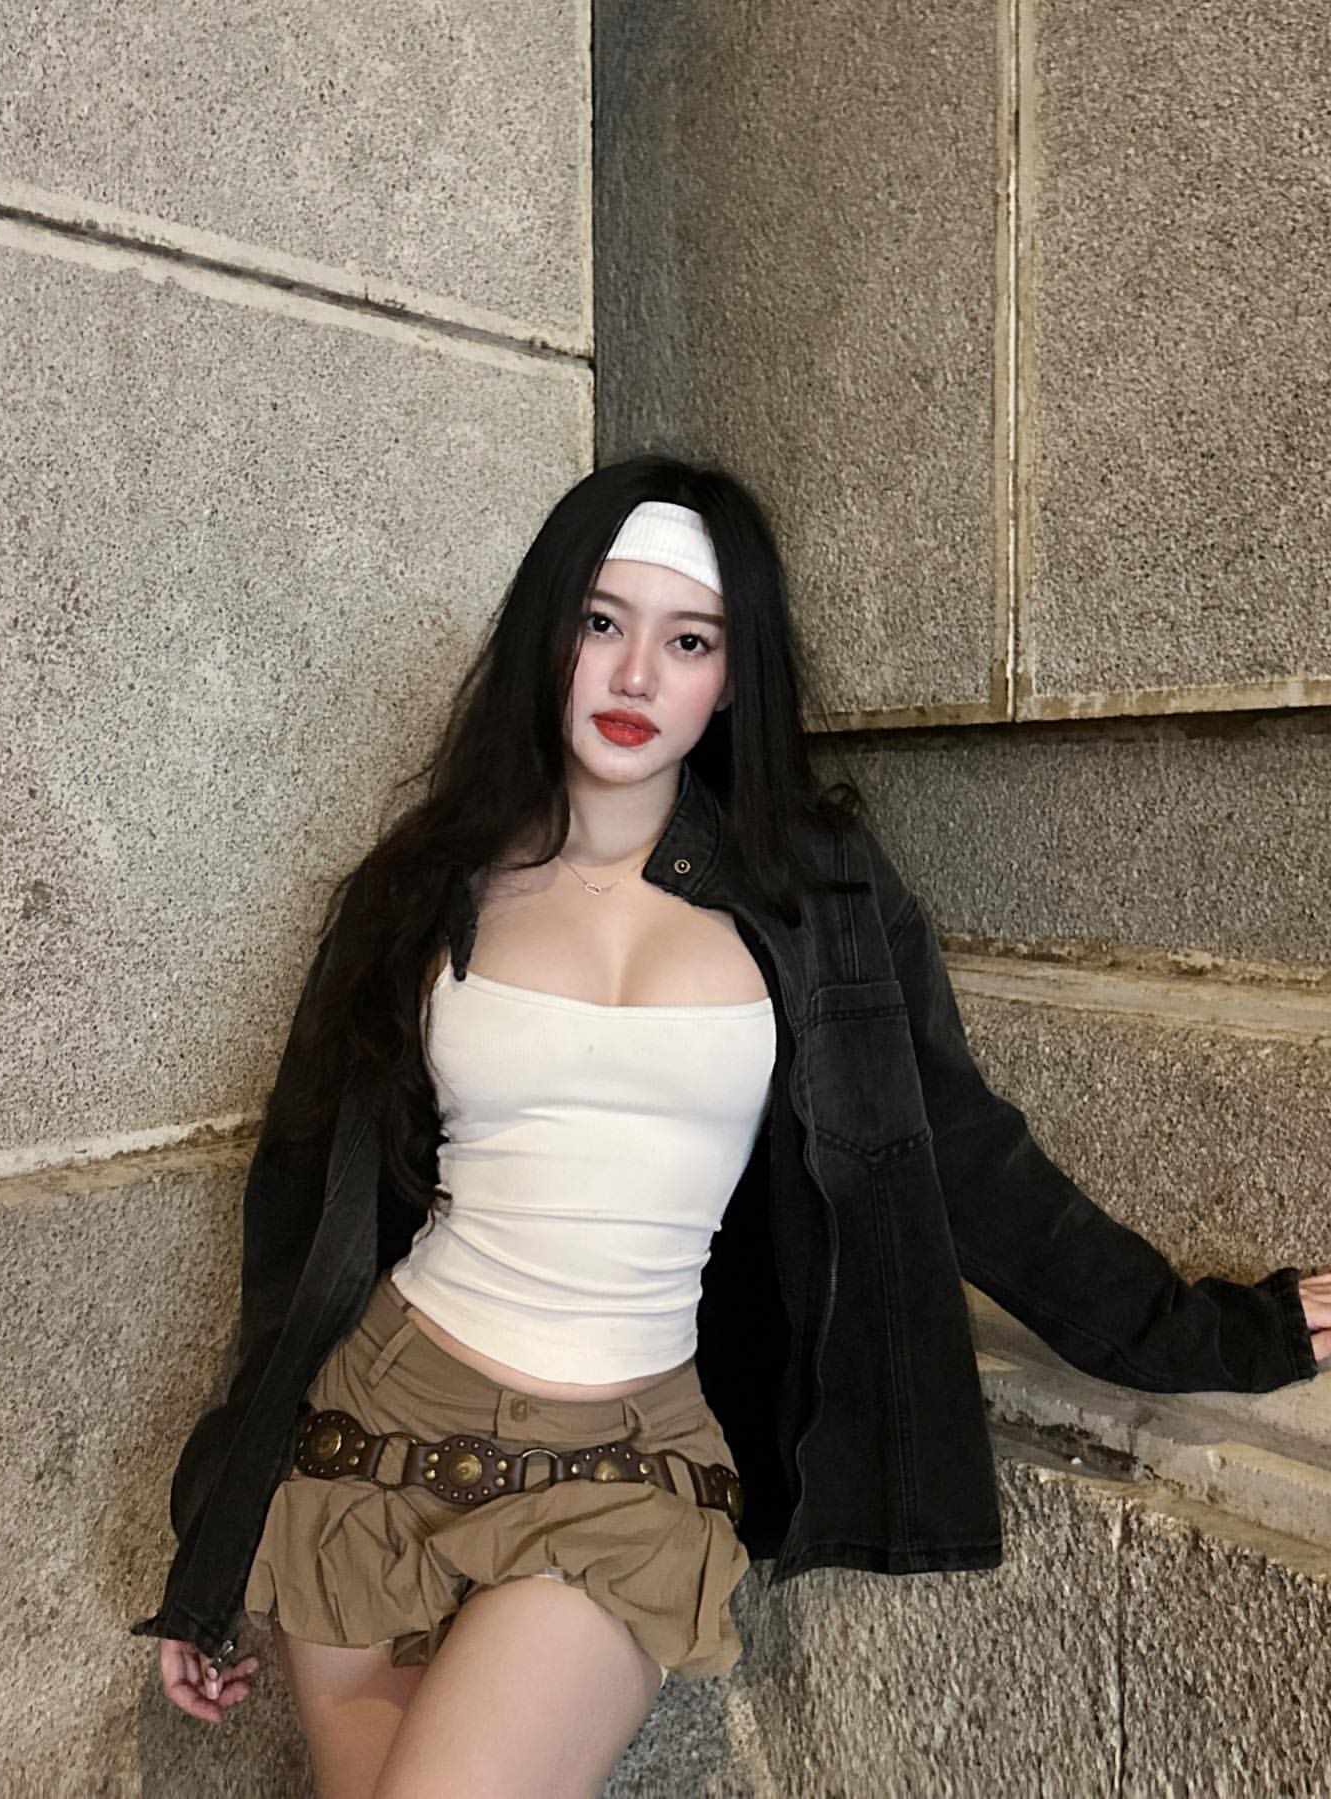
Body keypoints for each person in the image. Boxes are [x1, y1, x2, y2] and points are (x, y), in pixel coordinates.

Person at [134, 454, 1331, 1798]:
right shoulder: (423, 883)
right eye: (602, 622)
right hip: (369, 1439)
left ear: (733, 675)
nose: (637, 675)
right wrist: (213, 1541)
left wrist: (1206, 1333)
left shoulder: (816, 896)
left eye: (689, 640)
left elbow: (959, 1153)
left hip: (618, 1472)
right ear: (546, 633)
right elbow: (297, 1216)